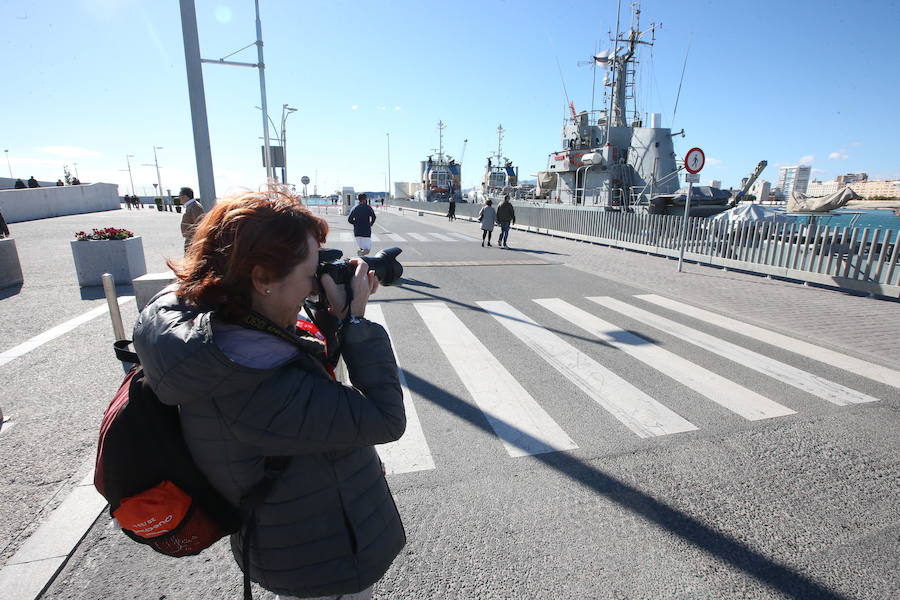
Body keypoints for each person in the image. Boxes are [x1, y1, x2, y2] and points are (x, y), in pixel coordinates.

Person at [132, 190, 406, 600]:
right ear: (261, 279)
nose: (315, 285)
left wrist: (329, 320)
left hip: (296, 532)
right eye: (311, 273)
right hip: (319, 555)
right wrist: (355, 322)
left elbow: (309, 377)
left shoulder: (224, 333)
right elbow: (385, 418)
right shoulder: (252, 379)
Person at [177, 186, 204, 252]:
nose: (179, 199)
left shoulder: (195, 206)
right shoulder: (190, 206)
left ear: (185, 197)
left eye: (180, 197)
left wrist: (196, 242)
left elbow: (200, 224)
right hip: (190, 239)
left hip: (193, 241)